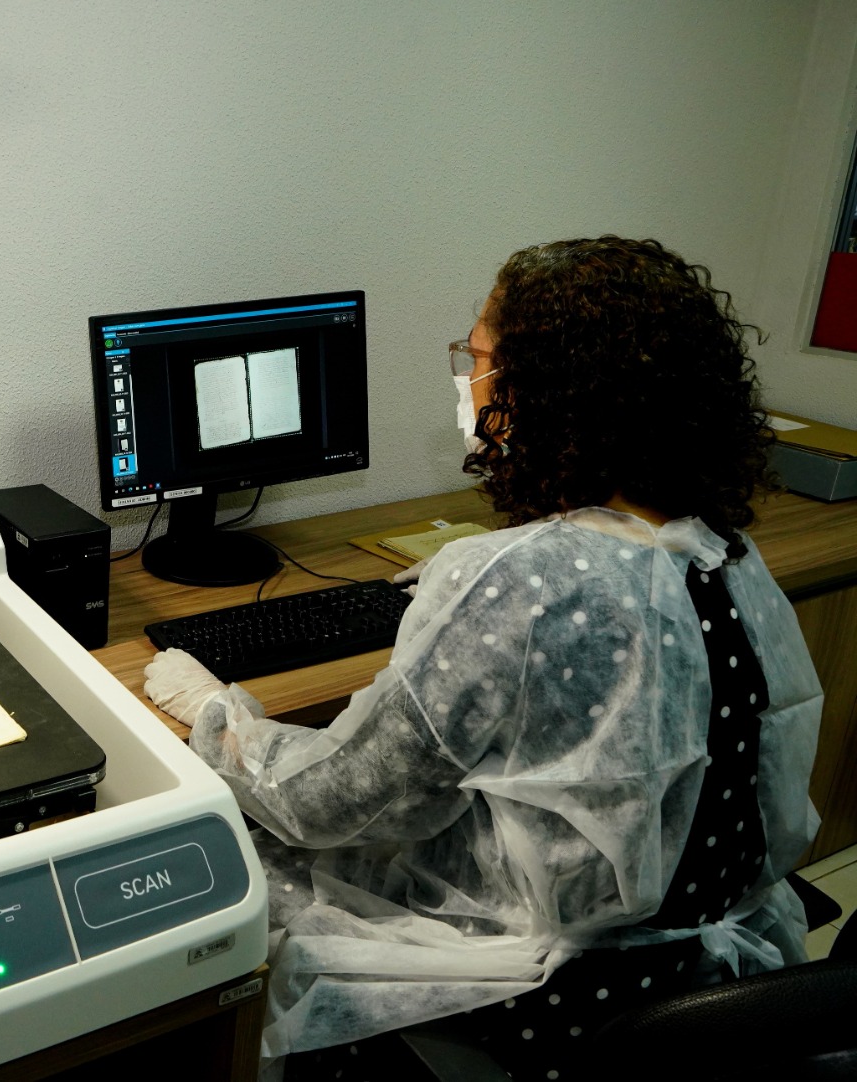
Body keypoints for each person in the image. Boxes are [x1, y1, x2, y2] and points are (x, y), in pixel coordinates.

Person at [144, 236, 824, 1081]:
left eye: (479, 359)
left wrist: (216, 713)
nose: (470, 380)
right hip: (711, 976)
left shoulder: (517, 582)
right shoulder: (726, 555)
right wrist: (486, 578)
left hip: (553, 990)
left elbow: (329, 800)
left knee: (236, 854)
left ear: (548, 388)